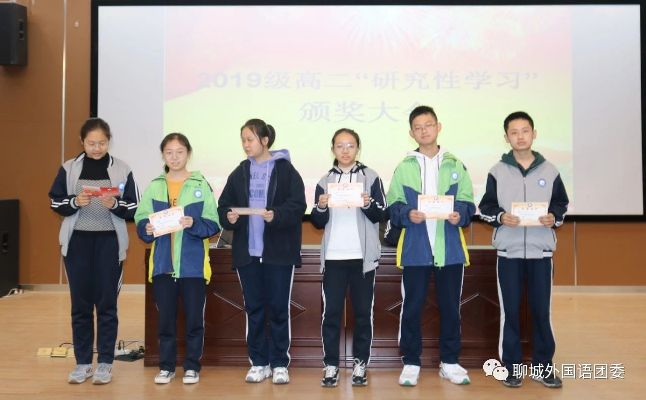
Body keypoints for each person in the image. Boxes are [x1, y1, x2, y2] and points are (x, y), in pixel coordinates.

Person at [387, 105, 475, 386]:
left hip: (449, 250)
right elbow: (393, 205)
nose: (424, 131)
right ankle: (411, 362)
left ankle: (449, 362)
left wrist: (460, 214)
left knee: (451, 308)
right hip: (416, 250)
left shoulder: (455, 164)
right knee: (412, 308)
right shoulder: (404, 167)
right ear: (411, 133)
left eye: (428, 125)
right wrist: (406, 214)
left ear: (439, 127)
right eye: (418, 127)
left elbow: (468, 202)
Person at [479, 111, 568, 389]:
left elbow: (561, 204)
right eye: (514, 132)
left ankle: (543, 367)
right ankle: (511, 368)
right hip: (509, 253)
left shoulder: (550, 170)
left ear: (534, 134)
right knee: (510, 312)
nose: (520, 136)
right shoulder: (497, 171)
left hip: (541, 253)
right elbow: (486, 207)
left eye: (525, 131)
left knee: (542, 312)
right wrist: (500, 217)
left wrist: (554, 217)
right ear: (506, 137)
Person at [48, 117, 139, 384]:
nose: (97, 148)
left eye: (101, 143)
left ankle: (105, 364)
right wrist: (75, 201)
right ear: (82, 142)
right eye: (91, 143)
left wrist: (116, 205)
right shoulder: (69, 168)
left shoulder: (122, 169)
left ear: (109, 141)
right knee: (81, 306)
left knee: (107, 305)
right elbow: (55, 202)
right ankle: (83, 363)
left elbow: (134, 208)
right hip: (77, 244)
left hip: (110, 244)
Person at [217, 118, 306, 385]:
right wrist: (229, 217)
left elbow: (298, 206)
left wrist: (276, 215)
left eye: (250, 139)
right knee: (254, 309)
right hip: (248, 253)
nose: (246, 145)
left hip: (278, 253)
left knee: (278, 309)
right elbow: (224, 206)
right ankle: (258, 362)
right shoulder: (240, 171)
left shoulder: (285, 170)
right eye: (243, 140)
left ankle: (279, 363)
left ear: (265, 140)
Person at [134, 133, 220, 385]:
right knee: (165, 321)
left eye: (179, 152)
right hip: (163, 265)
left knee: (194, 320)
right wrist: (145, 228)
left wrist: (194, 223)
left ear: (188, 154)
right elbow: (141, 218)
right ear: (163, 155)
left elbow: (213, 223)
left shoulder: (200, 185)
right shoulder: (155, 186)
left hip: (193, 266)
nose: (174, 157)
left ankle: (192, 366)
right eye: (169, 152)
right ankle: (166, 367)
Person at [310, 128, 387, 387]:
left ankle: (360, 364)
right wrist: (321, 206)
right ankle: (331, 364)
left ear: (358, 148)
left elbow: (381, 214)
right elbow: (317, 221)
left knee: (363, 314)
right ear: (333, 149)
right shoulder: (324, 180)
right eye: (340, 145)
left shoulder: (371, 176)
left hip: (362, 258)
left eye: (350, 145)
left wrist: (367, 203)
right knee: (331, 313)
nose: (345, 150)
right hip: (333, 258)